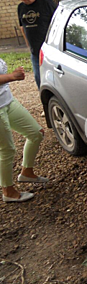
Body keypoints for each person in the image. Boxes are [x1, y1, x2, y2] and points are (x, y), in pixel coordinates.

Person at [0, 58, 48, 203]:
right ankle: (8, 191)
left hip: (7, 102)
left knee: (36, 133)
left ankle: (27, 172)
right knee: (7, 150)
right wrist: (12, 76)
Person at [17, 0, 57, 90]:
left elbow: (58, 25)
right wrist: (29, 46)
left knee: (56, 81)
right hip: (35, 53)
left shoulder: (47, 4)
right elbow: (23, 28)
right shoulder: (20, 7)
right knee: (40, 81)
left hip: (51, 52)